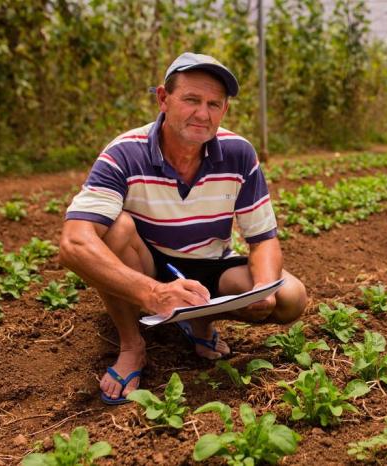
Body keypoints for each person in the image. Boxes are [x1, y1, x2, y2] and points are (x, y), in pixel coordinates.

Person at [59, 53, 307, 404]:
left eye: (213, 104)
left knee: (289, 297)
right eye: (191, 100)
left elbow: (263, 239)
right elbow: (74, 243)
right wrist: (153, 293)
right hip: (147, 265)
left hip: (210, 266)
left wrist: (263, 288)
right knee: (115, 228)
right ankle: (132, 345)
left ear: (224, 111)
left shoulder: (239, 153)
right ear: (163, 99)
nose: (202, 114)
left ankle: (199, 320)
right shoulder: (124, 153)